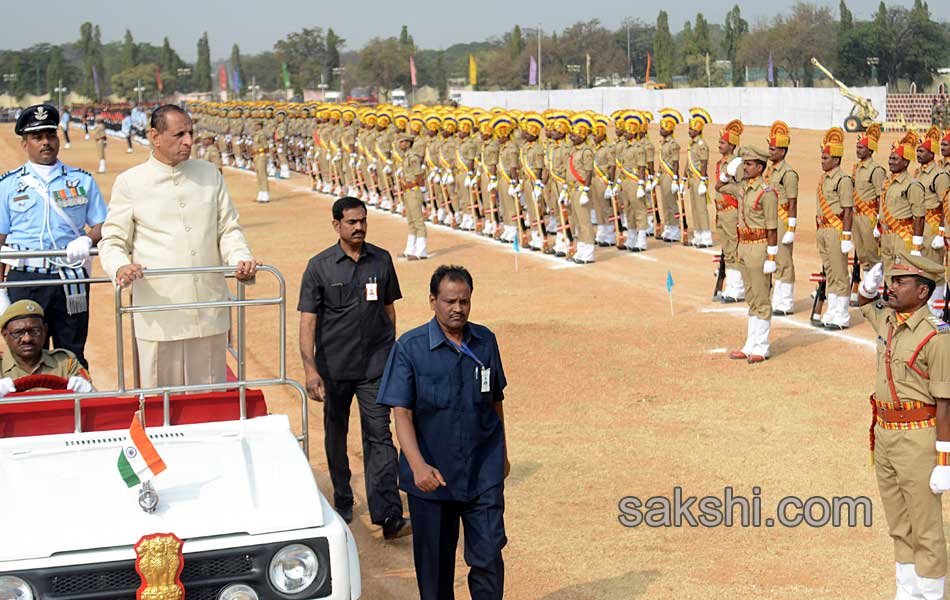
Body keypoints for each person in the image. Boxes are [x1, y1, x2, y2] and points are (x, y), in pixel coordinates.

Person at [98, 104, 259, 388]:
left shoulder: (209, 174)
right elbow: (112, 239)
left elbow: (228, 229)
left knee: (209, 401)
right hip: (159, 313)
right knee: (162, 406)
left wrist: (240, 259)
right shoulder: (131, 182)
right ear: (154, 136)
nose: (188, 141)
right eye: (179, 134)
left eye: (190, 133)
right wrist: (120, 266)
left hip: (209, 310)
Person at [378, 264, 509, 600]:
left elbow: (495, 400)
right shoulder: (410, 348)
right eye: (450, 301)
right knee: (435, 574)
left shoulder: (485, 342)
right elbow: (401, 413)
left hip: (482, 473)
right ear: (432, 301)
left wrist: (502, 455)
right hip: (433, 481)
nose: (458, 309)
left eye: (464, 301)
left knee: (488, 558)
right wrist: (418, 466)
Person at [297, 196, 410, 539]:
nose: (359, 227)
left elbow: (389, 310)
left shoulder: (382, 260)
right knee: (336, 435)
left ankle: (389, 515)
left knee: (380, 436)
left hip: (376, 366)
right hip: (334, 369)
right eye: (351, 222)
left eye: (363, 221)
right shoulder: (319, 267)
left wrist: (393, 354)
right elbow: (307, 323)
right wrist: (311, 370)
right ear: (337, 225)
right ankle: (343, 496)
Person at [856, 251, 950, 600]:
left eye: (900, 281)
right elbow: (864, 300)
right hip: (884, 435)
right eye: (891, 280)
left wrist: (945, 462)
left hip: (918, 438)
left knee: (925, 529)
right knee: (899, 525)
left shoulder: (937, 336)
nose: (891, 287)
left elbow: (945, 403)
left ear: (923, 292)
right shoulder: (887, 320)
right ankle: (907, 593)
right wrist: (868, 282)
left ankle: (930, 595)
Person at [0, 103, 107, 369]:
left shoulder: (81, 181)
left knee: (71, 351)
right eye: (37, 137)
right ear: (25, 143)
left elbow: (104, 223)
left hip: (69, 277)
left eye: (50, 135)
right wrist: (1, 291)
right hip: (25, 278)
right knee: (25, 355)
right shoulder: (9, 185)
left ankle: (74, 407)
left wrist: (88, 239)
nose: (45, 143)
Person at [717, 146, 778, 363]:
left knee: (761, 298)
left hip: (760, 246)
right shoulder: (742, 187)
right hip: (743, 246)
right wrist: (726, 173)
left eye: (749, 164)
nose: (745, 167)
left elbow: (772, 227)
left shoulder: (767, 192)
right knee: (751, 297)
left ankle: (761, 346)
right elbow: (720, 186)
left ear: (760, 167)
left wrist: (772, 256)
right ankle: (750, 343)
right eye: (744, 163)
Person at [0, 299, 93, 396]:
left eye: (35, 331)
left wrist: (87, 390)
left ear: (45, 330)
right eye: (18, 332)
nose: (27, 339)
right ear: (5, 334)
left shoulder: (65, 363)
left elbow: (94, 403)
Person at [814, 127, 854, 329]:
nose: (823, 161)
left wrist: (846, 236)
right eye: (822, 157)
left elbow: (848, 210)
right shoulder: (824, 178)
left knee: (839, 272)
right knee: (830, 271)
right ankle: (832, 310)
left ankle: (842, 313)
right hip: (823, 229)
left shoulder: (843, 180)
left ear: (836, 160)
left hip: (836, 229)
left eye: (826, 157)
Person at [764, 121, 799, 316]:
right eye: (769, 147)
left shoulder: (788, 173)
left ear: (783, 151)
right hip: (770, 219)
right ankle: (777, 298)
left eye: (774, 148)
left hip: (783, 219)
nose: (770, 151)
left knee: (784, 261)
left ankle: (785, 302)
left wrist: (792, 228)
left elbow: (793, 201)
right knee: (773, 259)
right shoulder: (769, 171)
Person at [852, 123, 886, 294]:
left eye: (861, 147)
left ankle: (878, 288)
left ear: (870, 150)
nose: (858, 150)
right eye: (857, 147)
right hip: (856, 216)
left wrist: (879, 223)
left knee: (873, 255)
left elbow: (881, 197)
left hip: (870, 216)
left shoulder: (876, 170)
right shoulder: (856, 168)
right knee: (862, 254)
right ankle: (867, 288)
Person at [715, 119, 746, 303]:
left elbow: (741, 189)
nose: (719, 145)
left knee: (734, 250)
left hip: (732, 211)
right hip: (721, 212)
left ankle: (738, 288)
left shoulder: (737, 164)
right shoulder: (721, 163)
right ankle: (732, 286)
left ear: (732, 145)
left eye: (723, 142)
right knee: (727, 250)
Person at [685, 107, 712, 248]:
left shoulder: (702, 145)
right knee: (694, 208)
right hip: (692, 179)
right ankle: (698, 235)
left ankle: (706, 236)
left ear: (698, 130)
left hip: (698, 179)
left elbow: (704, 163)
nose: (689, 131)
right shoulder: (692, 144)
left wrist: (702, 180)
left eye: (691, 129)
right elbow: (688, 162)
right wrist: (684, 178)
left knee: (701, 208)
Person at [656, 108, 683, 243]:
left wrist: (675, 179)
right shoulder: (662, 143)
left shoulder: (673, 144)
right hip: (663, 176)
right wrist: (657, 176)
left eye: (663, 128)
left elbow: (675, 163)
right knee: (665, 202)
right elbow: (662, 162)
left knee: (671, 203)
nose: (660, 130)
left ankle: (675, 229)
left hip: (670, 175)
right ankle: (668, 227)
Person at [252, 120, 270, 203]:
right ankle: (261, 192)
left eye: (256, 125)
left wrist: (263, 153)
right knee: (258, 174)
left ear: (259, 126)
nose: (254, 127)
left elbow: (266, 147)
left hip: (261, 155)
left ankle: (265, 193)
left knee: (262, 175)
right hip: (256, 156)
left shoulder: (261, 135)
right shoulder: (256, 134)